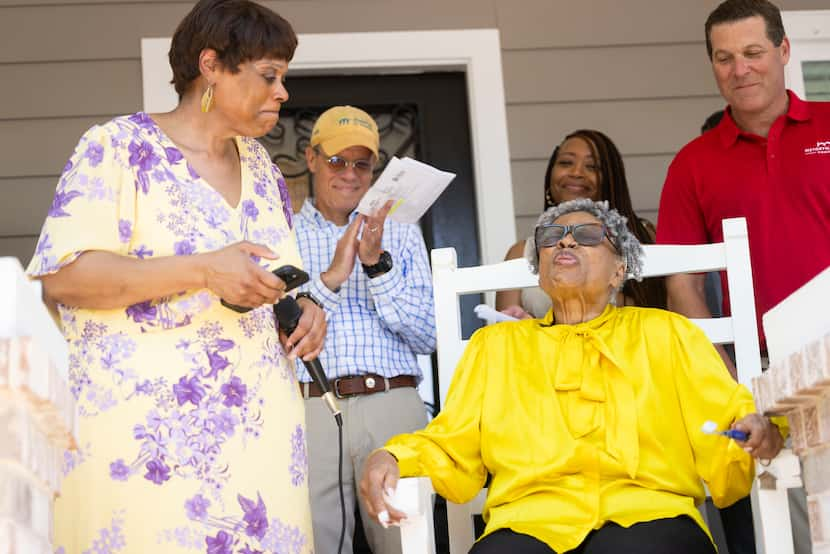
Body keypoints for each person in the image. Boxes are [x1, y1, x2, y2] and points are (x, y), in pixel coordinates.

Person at [25, 1, 325, 552]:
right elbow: (63, 278)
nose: (283, 92)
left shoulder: (265, 169)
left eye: (284, 77)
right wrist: (204, 270)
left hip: (259, 438)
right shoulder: (115, 148)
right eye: (268, 75)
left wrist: (305, 313)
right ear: (211, 65)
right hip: (143, 443)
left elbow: (277, 281)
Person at [360, 198, 784, 554]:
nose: (564, 240)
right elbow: (451, 441)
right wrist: (393, 456)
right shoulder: (497, 347)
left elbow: (728, 417)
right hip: (528, 522)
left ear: (620, 270)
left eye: (586, 235)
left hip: (649, 512)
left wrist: (758, 428)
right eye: (551, 237)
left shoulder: (666, 333)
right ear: (539, 271)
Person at [657, 2, 829, 551]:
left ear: (782, 51)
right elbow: (683, 284)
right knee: (802, 529)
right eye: (725, 58)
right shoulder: (693, 163)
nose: (741, 69)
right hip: (769, 373)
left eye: (754, 53)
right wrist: (730, 380)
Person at [294, 105, 436, 554]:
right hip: (310, 405)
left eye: (362, 163)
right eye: (337, 160)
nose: (350, 174)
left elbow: (427, 337)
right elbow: (275, 336)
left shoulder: (402, 231)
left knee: (405, 544)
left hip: (392, 402)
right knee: (315, 545)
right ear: (311, 157)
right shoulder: (283, 232)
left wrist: (377, 267)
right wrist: (333, 277)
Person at [496, 129, 665, 319]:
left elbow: (655, 309)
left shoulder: (638, 237)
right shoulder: (521, 252)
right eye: (566, 163)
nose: (576, 173)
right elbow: (505, 329)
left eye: (592, 166)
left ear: (610, 180)